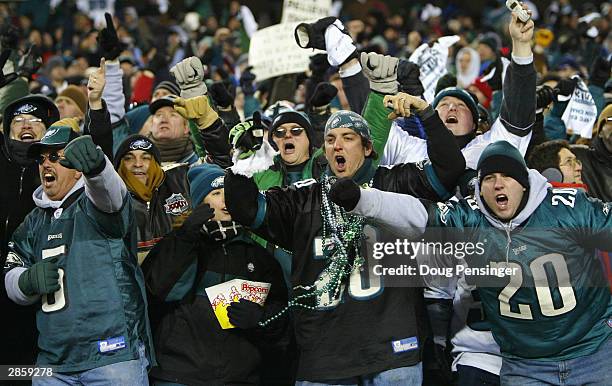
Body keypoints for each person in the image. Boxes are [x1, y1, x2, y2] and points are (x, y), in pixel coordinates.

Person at [224, 50, 465, 383]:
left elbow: (451, 169)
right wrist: (243, 164)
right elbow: (245, 209)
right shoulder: (304, 197)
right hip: (326, 353)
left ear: (368, 148)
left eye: (348, 138)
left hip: (393, 349)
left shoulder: (394, 182)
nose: (337, 146)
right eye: (330, 140)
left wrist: (427, 113)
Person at [337, 140, 611, 386]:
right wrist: (363, 199)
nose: (498, 184)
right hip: (526, 364)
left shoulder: (567, 208)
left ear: (525, 182)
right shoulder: (470, 219)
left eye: (507, 176)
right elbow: (419, 215)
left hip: (594, 349)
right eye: (489, 178)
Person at [4, 124, 154, 384]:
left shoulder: (94, 203)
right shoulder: (33, 221)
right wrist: (25, 281)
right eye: (41, 159)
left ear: (77, 168)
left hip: (112, 356)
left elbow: (111, 198)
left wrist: (97, 170)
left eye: (55, 157)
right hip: (52, 364)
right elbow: (10, 269)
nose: (45, 165)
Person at [142, 163, 288, 385]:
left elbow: (283, 321)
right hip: (178, 375)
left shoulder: (260, 256)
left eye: (228, 193)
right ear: (200, 201)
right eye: (216, 193)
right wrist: (185, 238)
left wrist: (262, 319)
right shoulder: (176, 243)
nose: (225, 200)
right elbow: (156, 291)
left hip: (240, 378)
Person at [114, 134, 191, 264]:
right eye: (128, 158)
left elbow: (218, 170)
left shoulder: (180, 183)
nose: (138, 164)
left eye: (146, 158)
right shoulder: (109, 198)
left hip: (176, 277)